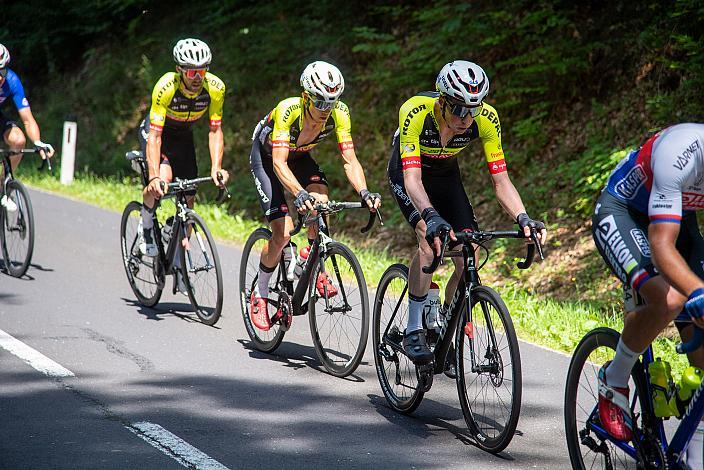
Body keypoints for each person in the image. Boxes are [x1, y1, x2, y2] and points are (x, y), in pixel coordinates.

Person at [387, 60, 546, 365]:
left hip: (446, 174)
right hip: (410, 171)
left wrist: (523, 217)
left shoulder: (486, 119)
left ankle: (446, 322)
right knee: (429, 238)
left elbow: (501, 181)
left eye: (473, 109)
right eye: (459, 109)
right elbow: (412, 180)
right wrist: (430, 216)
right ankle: (413, 328)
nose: (466, 118)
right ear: (443, 101)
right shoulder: (416, 111)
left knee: (468, 251)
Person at [593, 124, 704, 458]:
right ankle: (614, 377)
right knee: (670, 299)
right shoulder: (681, 152)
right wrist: (697, 292)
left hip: (678, 220)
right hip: (624, 213)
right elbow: (660, 244)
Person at [248, 60, 381, 330]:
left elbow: (349, 160)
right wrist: (297, 193)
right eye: (320, 102)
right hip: (269, 158)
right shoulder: (289, 110)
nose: (326, 109)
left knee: (321, 203)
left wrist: (364, 191)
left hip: (300, 157)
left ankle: (315, 263)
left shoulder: (340, 113)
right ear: (305, 97)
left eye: (331, 102)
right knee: (283, 232)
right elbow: (279, 163)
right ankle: (260, 293)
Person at [137, 38, 229, 292]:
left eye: (202, 70)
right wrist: (154, 176)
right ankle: (145, 226)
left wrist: (216, 167)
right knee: (162, 181)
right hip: (157, 132)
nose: (197, 76)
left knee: (189, 195)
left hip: (183, 136)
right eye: (191, 71)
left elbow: (215, 130)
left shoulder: (215, 88)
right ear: (179, 69)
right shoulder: (166, 86)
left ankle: (178, 260)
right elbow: (154, 137)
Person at [0, 43, 55, 211]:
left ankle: (3, 185)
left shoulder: (12, 81)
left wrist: (38, 142)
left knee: (18, 140)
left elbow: (28, 119)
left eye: (1, 71)